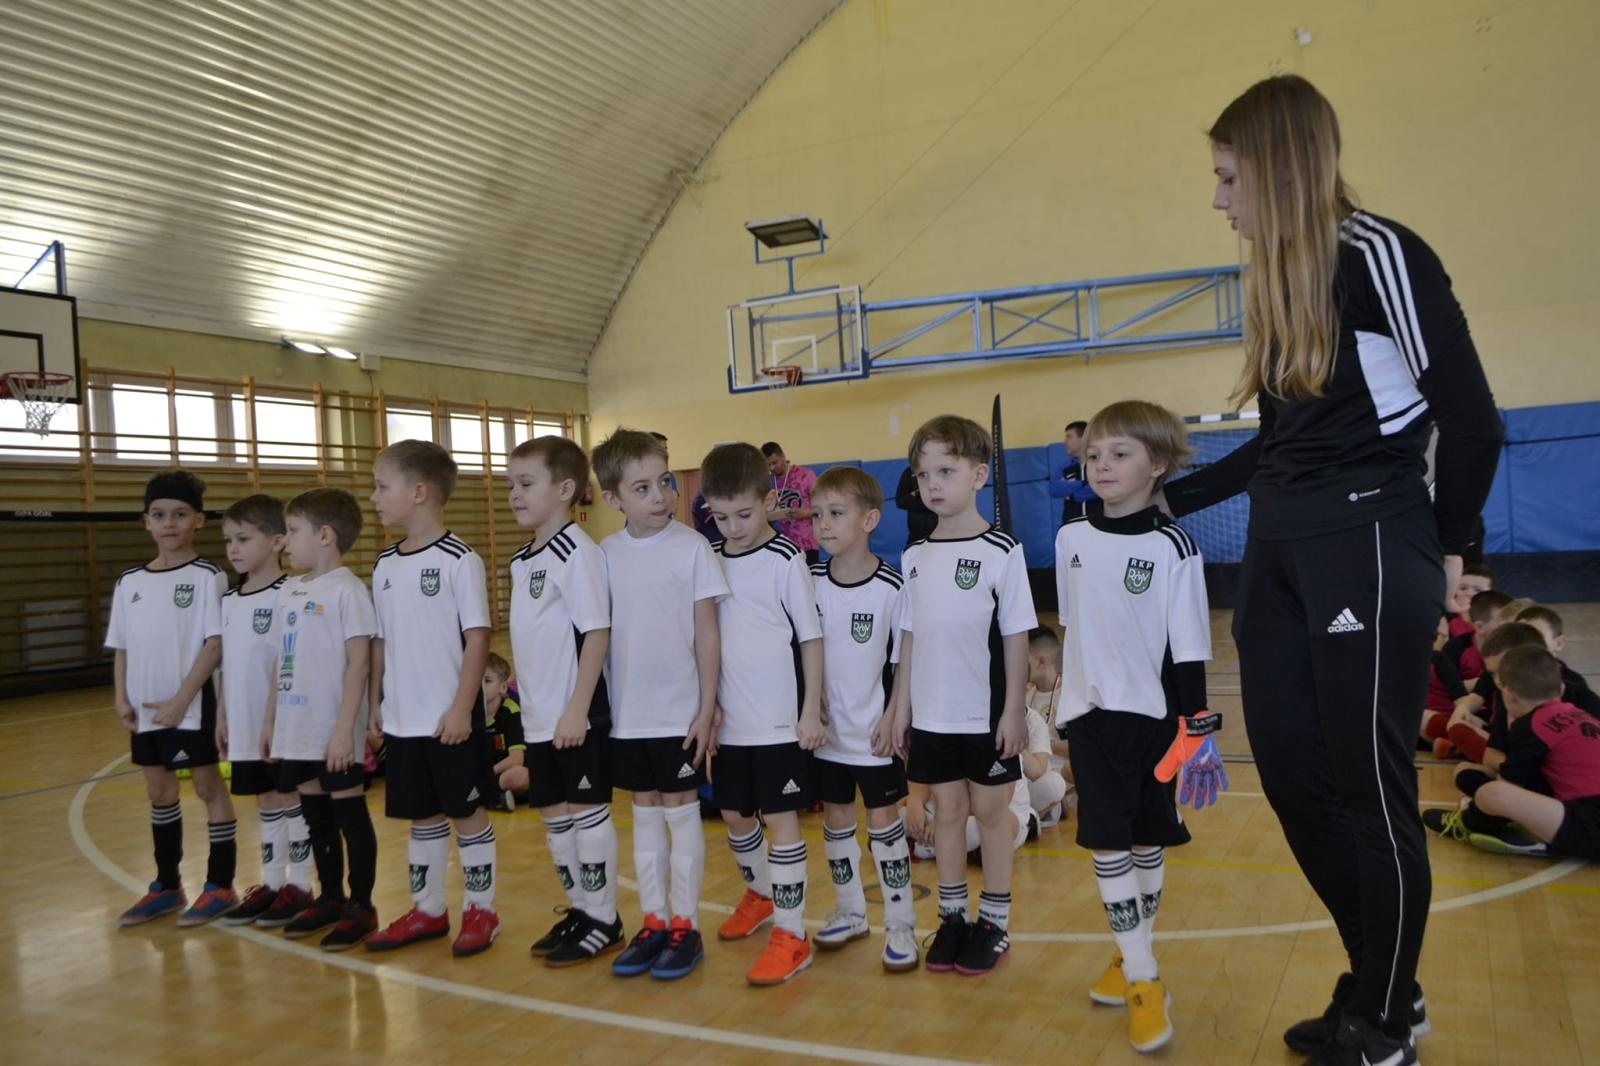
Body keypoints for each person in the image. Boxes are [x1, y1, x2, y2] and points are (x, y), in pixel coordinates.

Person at [1162, 76, 1504, 1064]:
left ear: (1277, 166)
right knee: (1297, 779)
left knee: (1368, 786)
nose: (1218, 199)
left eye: (1229, 177)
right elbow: (1275, 446)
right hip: (1278, 550)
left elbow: (1472, 419)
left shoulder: (1378, 254)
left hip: (1368, 539)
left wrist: (1454, 550)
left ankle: (1385, 1016)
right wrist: (1157, 495)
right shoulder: (1273, 283)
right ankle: (1383, 976)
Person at [1055, 401, 1214, 1054]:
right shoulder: (1070, 539)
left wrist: (1198, 729)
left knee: (1147, 839)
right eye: (1094, 453)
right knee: (1107, 844)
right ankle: (1144, 975)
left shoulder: (1174, 545)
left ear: (1159, 465)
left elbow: (1189, 646)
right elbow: (1073, 629)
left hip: (1152, 722)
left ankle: (1129, 954)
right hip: (1088, 719)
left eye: (1120, 453)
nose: (1102, 464)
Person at [885, 414, 1037, 976]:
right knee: (946, 813)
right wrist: (900, 709)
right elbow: (908, 640)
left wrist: (1013, 711)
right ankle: (952, 919)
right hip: (932, 716)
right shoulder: (915, 556)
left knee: (991, 816)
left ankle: (993, 924)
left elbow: (1015, 635)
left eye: (945, 470)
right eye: (922, 473)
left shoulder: (1002, 550)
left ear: (978, 475)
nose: (932, 483)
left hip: (984, 716)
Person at [593, 428, 726, 980]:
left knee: (680, 810)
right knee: (643, 812)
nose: (659, 496)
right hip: (629, 715)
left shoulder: (691, 547)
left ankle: (685, 926)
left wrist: (707, 706)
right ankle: (653, 921)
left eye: (664, 483)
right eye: (641, 488)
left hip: (679, 712)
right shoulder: (604, 555)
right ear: (612, 499)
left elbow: (708, 634)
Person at [364, 441, 499, 957]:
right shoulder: (383, 565)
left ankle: (481, 910)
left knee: (467, 816)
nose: (374, 497)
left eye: (382, 485)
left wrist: (463, 708)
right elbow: (381, 641)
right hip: (403, 721)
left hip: (450, 721)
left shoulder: (459, 560)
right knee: (422, 818)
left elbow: (478, 639)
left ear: (418, 492)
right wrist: (377, 701)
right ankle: (427, 910)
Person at [697, 443, 825, 985]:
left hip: (777, 721)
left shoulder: (786, 560)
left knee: (781, 822)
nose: (732, 526)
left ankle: (793, 934)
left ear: (768, 500)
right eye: (720, 517)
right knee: (733, 815)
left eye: (744, 515)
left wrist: (811, 708)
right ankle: (762, 894)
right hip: (731, 721)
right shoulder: (710, 560)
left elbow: (812, 639)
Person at [504, 436, 621, 967]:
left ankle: (604, 917)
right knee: (554, 817)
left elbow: (596, 633)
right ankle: (580, 908)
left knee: (586, 813)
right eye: (511, 484)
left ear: (565, 489)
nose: (514, 494)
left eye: (526, 484)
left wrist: (577, 709)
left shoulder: (578, 552)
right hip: (538, 718)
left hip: (577, 717)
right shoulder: (523, 560)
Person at [108, 470, 235, 927]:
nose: (169, 523)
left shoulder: (207, 576)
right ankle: (166, 885)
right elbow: (122, 646)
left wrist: (183, 698)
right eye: (159, 515)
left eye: (179, 514)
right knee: (159, 792)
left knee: (207, 787)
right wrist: (121, 696)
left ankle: (220, 884)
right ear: (146, 522)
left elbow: (215, 644)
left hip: (192, 705)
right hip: (145, 712)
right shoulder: (129, 582)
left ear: (198, 520)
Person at [806, 466, 918, 972]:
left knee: (883, 825)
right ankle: (851, 911)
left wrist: (895, 716)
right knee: (835, 819)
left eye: (835, 514)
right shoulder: (808, 581)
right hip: (826, 736)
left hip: (873, 736)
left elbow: (904, 663)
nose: (822, 525)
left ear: (870, 518)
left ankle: (900, 923)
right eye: (816, 515)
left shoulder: (892, 587)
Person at [262, 488, 382, 950]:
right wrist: (271, 720)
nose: (285, 541)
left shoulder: (348, 591)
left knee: (349, 815)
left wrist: (343, 729)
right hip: (295, 729)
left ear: (325, 535)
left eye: (293, 531)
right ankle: (330, 897)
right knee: (316, 819)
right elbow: (280, 660)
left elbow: (359, 664)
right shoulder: (290, 589)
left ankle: (363, 904)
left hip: (333, 731)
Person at [215, 494, 314, 927]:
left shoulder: (290, 592)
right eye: (227, 540)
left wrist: (275, 719)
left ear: (277, 541)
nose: (233, 548)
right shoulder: (231, 601)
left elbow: (286, 661)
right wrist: (222, 715)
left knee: (290, 799)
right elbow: (230, 666)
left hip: (281, 724)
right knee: (265, 802)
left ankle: (302, 885)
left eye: (243, 538)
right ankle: (272, 883)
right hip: (242, 723)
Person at [1426, 645, 1600, 860]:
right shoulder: (1583, 715)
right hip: (1581, 809)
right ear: (1561, 689)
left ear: (1508, 695)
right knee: (1469, 772)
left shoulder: (1532, 724)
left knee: (1493, 794)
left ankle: (1469, 825)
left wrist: (1477, 812)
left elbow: (1509, 785)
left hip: (1589, 823)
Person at [1021, 626, 1072, 826]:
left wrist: (1043, 744)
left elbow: (1081, 748)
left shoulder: (1069, 695)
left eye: (1023, 660)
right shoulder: (1024, 693)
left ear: (1042, 661)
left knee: (1070, 771)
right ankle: (1034, 816)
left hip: (1060, 772)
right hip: (1030, 770)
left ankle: (1049, 807)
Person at [480, 654, 526, 811]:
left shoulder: (510, 712)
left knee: (518, 775)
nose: (480, 686)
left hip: (502, 775)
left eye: (487, 681)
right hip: (484, 777)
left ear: (503, 687)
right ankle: (496, 799)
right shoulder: (470, 714)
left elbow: (516, 759)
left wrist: (487, 772)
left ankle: (488, 798)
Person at [761, 441, 819, 564]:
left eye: (775, 462)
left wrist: (804, 513)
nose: (772, 468)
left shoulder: (805, 475)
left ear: (783, 456)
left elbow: (822, 508)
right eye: (768, 465)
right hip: (781, 545)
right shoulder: (767, 482)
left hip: (806, 542)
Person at [1442, 588, 1512, 681]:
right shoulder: (1456, 648)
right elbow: (1445, 687)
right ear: (1479, 627)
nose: (1511, 628)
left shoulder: (1514, 647)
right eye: (1504, 623)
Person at [1049, 420, 1100, 524]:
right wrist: (1083, 483)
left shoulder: (1100, 464)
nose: (1064, 441)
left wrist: (1071, 493)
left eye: (1069, 436)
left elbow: (1097, 490)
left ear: (1083, 438)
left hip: (1099, 525)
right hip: (1072, 525)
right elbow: (1054, 489)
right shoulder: (1064, 467)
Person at [893, 466, 937, 545]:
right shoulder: (910, 472)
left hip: (941, 530)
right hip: (917, 533)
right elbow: (900, 501)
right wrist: (926, 503)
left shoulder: (942, 471)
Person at [1447, 563, 1494, 638]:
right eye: (1463, 588)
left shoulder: (1495, 619)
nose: (1468, 593)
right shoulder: (1446, 618)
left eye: (1478, 590)